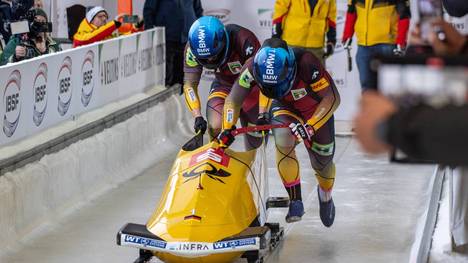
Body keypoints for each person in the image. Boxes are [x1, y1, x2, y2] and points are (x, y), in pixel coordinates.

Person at [217, 38, 340, 226]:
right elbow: (233, 100)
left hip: (316, 112)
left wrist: (311, 126)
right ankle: (296, 200)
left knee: (323, 165)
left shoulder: (307, 63)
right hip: (285, 107)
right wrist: (227, 127)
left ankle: (325, 195)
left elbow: (332, 98)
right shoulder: (251, 68)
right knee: (283, 140)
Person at [183, 16, 269, 150]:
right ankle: (216, 159)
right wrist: (197, 116)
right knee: (215, 125)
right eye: (204, 58)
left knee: (255, 141)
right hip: (223, 86)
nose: (210, 60)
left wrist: (262, 113)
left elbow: (262, 80)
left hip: (251, 89)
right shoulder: (191, 50)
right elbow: (189, 84)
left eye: (213, 55)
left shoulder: (244, 40)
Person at [342, 0, 411, 91]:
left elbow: (404, 14)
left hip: (387, 44)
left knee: (388, 88)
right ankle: (370, 105)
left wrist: (401, 41)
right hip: (364, 46)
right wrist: (347, 35)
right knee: (366, 87)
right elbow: (351, 11)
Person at [144, 0, 203, 87]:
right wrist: (150, 34)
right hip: (166, 39)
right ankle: (166, 98)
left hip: (187, 39)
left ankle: (181, 97)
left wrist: (199, 32)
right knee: (166, 77)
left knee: (184, 77)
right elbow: (148, 10)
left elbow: (198, 10)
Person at [272, 0, 337, 66]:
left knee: (318, 75)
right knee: (288, 74)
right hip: (292, 44)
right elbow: (279, 12)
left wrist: (331, 41)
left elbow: (331, 19)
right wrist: (276, 35)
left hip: (316, 48)